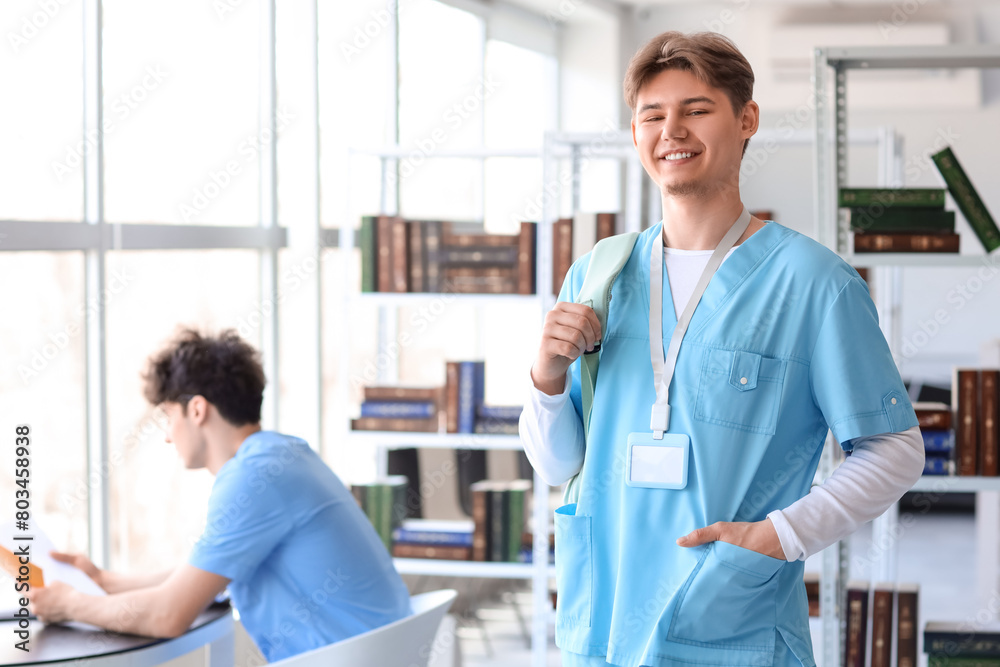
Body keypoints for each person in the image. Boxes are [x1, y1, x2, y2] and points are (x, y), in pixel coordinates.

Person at [519, 31, 924, 667]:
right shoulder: (599, 274)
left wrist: (779, 536)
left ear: (746, 120)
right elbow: (557, 466)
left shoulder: (813, 283)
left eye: (696, 109)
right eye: (652, 115)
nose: (671, 129)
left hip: (729, 628)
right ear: (635, 136)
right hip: (603, 631)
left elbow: (894, 449)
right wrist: (544, 380)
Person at [28, 329, 411, 662]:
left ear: (197, 410)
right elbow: (202, 572)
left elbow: (168, 615)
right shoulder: (284, 456)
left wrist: (71, 605)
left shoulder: (254, 477)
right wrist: (104, 581)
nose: (166, 434)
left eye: (167, 416)